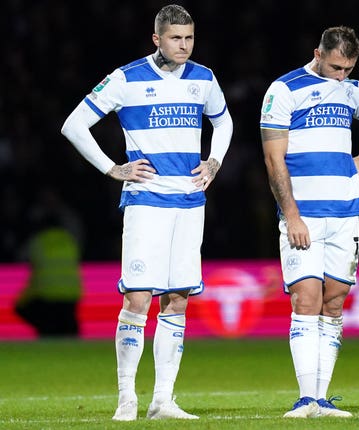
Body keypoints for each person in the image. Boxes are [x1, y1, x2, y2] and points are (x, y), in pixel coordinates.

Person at [60, 4, 233, 421]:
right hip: (147, 201)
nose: (184, 46)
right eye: (176, 38)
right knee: (137, 298)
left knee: (178, 298)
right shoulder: (126, 79)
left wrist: (214, 162)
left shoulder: (204, 78)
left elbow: (224, 123)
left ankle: (162, 401)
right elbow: (73, 125)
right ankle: (127, 400)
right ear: (157, 39)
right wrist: (113, 168)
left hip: (189, 202)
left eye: (189, 38)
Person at [260, 26, 359, 418]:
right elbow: (273, 159)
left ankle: (321, 400)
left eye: (348, 69)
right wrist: (291, 215)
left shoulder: (352, 90)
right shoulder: (284, 90)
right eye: (336, 67)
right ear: (317, 53)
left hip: (345, 214)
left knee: (334, 303)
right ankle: (305, 398)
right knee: (306, 299)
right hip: (303, 215)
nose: (341, 75)